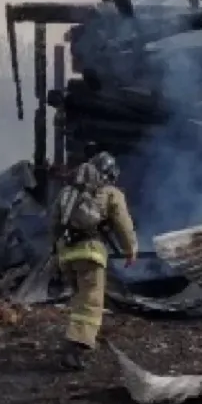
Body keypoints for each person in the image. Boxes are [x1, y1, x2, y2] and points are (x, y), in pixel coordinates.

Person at [50, 151, 138, 370]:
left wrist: (57, 252)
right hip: (89, 252)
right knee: (91, 302)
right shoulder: (110, 193)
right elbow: (123, 225)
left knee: (80, 299)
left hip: (66, 254)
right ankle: (74, 351)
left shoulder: (68, 192)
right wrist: (131, 249)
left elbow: (53, 224)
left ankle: (83, 340)